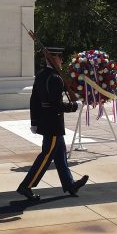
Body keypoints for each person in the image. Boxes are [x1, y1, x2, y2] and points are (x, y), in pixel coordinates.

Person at [17, 45, 89, 201]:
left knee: (60, 154)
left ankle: (69, 184)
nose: (62, 60)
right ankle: (26, 185)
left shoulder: (42, 75)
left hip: (45, 122)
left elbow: (34, 100)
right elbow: (56, 105)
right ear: (54, 58)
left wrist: (35, 121)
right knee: (46, 156)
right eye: (60, 57)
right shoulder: (55, 79)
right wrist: (74, 106)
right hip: (53, 125)